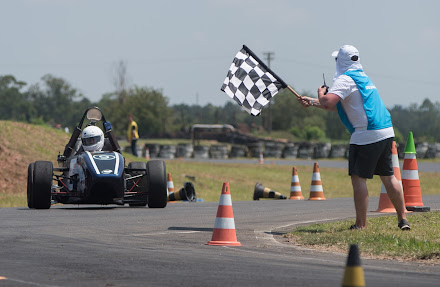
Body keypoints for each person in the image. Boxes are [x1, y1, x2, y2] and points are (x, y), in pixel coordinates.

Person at [297, 45, 410, 230]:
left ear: (340, 62)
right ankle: (402, 219)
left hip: (366, 133)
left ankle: (361, 225)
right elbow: (339, 105)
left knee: (358, 178)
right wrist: (311, 101)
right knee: (388, 177)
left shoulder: (344, 79)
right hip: (386, 131)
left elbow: (328, 102)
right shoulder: (362, 77)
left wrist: (320, 94)